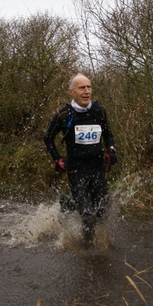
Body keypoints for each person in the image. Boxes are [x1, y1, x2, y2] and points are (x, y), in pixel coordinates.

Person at [44, 73, 118, 245]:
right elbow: (48, 138)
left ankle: (68, 204)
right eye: (82, 88)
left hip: (98, 167)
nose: (87, 91)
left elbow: (108, 134)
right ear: (71, 92)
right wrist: (57, 159)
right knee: (87, 215)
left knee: (101, 213)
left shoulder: (99, 110)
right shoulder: (63, 115)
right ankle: (88, 250)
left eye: (89, 87)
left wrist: (111, 151)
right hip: (77, 170)